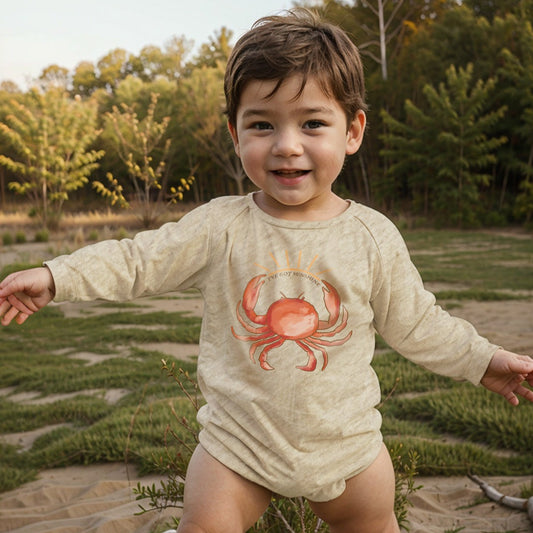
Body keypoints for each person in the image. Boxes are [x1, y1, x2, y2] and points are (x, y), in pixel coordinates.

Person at [1, 9, 532, 533]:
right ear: (236, 134)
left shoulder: (371, 236)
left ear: (353, 131)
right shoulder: (220, 226)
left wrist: (483, 361)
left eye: (313, 123)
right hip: (238, 450)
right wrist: (57, 275)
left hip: (348, 449)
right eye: (262, 124)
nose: (286, 145)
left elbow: (418, 323)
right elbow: (139, 259)